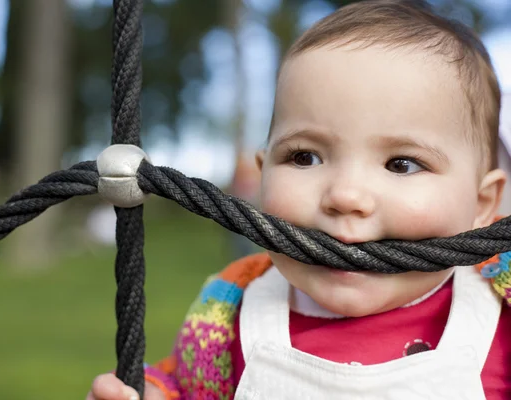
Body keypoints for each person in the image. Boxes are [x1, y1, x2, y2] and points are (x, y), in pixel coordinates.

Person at [86, 1, 511, 399]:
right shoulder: (230, 309)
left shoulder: (499, 305)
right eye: (303, 157)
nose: (345, 196)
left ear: (482, 203)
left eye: (401, 164)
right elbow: (182, 384)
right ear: (262, 172)